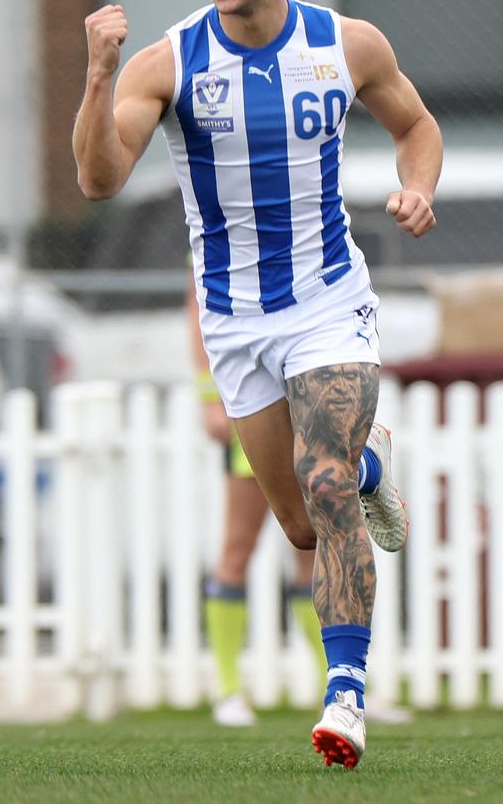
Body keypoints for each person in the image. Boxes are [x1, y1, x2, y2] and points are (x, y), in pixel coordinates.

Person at [73, 0, 442, 769]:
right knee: (306, 523)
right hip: (237, 322)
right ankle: (370, 462)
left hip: (327, 302)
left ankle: (344, 695)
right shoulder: (169, 62)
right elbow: (97, 179)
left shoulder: (346, 44)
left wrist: (418, 187)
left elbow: (416, 123)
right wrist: (97, 77)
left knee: (322, 483)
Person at [187, 272, 327, 727]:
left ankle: (338, 687)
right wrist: (210, 395)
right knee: (238, 548)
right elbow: (197, 309)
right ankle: (228, 689)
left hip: (300, 396)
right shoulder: (213, 217)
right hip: (253, 402)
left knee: (313, 549)